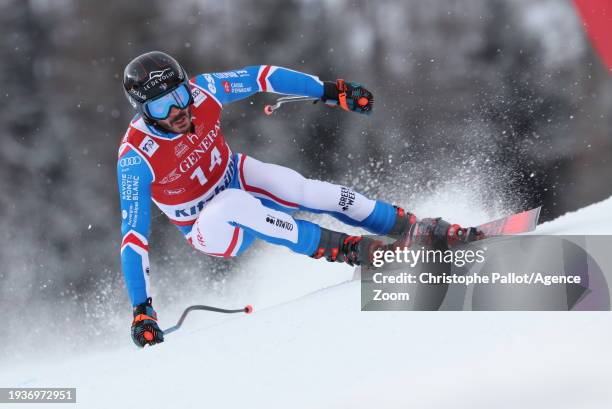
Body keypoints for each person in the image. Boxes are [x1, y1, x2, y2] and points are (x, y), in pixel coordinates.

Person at [119, 51, 470, 347]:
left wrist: (330, 91)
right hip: (209, 227)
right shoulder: (136, 157)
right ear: (144, 111)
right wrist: (142, 309)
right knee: (234, 206)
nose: (178, 110)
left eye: (180, 95)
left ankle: (412, 227)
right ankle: (355, 250)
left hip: (235, 176)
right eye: (163, 106)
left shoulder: (204, 91)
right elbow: (134, 238)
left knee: (303, 190)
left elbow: (261, 76)